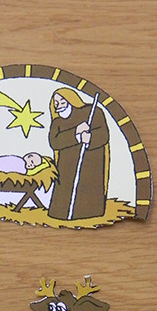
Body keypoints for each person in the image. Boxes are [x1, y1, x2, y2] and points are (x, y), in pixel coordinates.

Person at [47, 88, 109, 220]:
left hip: (90, 162)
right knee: (65, 191)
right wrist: (76, 133)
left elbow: (103, 135)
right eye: (56, 102)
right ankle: (61, 214)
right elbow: (55, 142)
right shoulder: (57, 122)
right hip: (66, 165)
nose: (59, 105)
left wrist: (90, 138)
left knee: (87, 187)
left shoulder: (92, 112)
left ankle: (89, 212)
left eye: (62, 100)